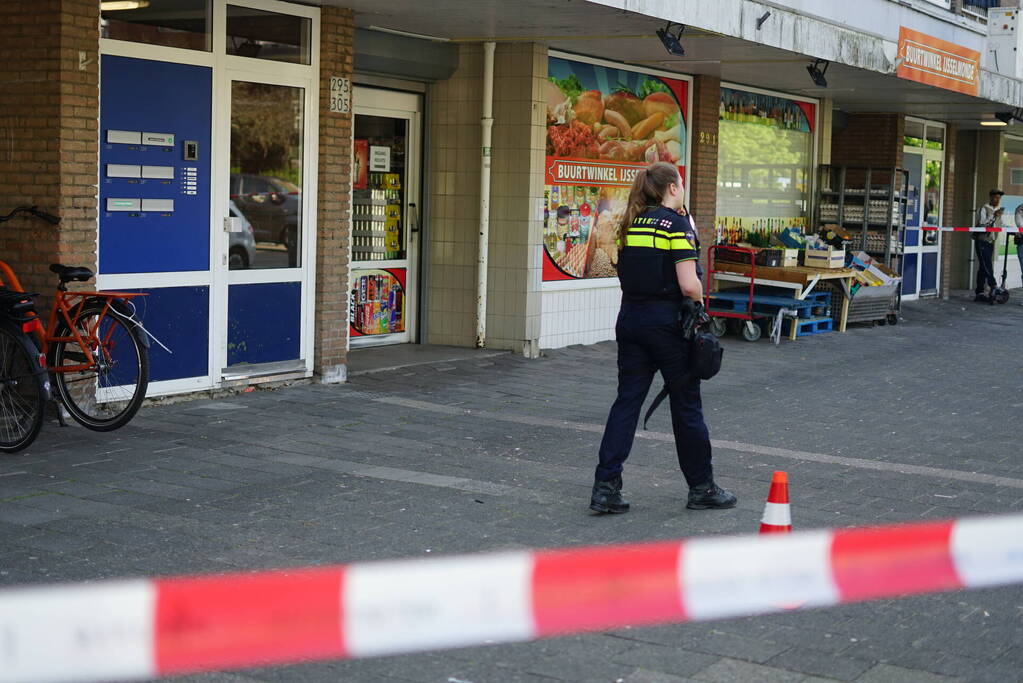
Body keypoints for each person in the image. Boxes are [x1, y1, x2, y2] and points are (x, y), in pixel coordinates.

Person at [590, 161, 736, 514]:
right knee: (686, 406)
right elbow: (689, 284)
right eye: (681, 184)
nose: (683, 188)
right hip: (668, 325)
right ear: (672, 188)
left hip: (631, 319)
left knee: (627, 402)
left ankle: (605, 488)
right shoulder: (675, 225)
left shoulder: (629, 223)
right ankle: (701, 487)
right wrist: (700, 304)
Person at [975, 189, 1004, 302]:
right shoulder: (983, 208)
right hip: (982, 240)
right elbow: (982, 223)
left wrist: (1013, 229)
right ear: (990, 197)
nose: (997, 200)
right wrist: (993, 216)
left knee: (983, 267)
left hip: (991, 241)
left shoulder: (998, 210)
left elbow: (1000, 223)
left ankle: (979, 292)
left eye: (999, 198)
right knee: (987, 265)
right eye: (995, 198)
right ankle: (994, 285)